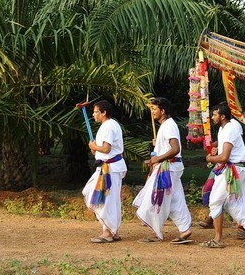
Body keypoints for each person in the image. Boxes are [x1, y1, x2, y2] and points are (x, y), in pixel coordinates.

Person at [201, 103, 245, 248]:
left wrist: (210, 158)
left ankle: (218, 239)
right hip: (234, 169)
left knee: (216, 201)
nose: (213, 117)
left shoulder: (230, 129)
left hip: (231, 171)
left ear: (222, 116)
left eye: (215, 114)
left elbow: (224, 157)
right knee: (233, 203)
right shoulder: (225, 128)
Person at [134, 98, 193, 243]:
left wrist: (157, 158)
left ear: (163, 111)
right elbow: (168, 146)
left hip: (168, 169)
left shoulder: (169, 126)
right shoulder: (166, 126)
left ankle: (156, 233)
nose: (152, 112)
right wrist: (158, 145)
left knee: (154, 199)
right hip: (171, 168)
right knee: (175, 200)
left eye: (155, 109)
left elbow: (175, 149)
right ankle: (185, 230)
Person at [82, 100, 127, 243]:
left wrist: (94, 146)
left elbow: (106, 149)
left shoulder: (108, 126)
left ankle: (108, 232)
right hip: (107, 167)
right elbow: (103, 149)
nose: (93, 115)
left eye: (96, 112)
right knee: (108, 199)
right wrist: (95, 147)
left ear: (104, 112)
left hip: (110, 169)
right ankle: (112, 232)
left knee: (106, 200)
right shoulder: (109, 125)